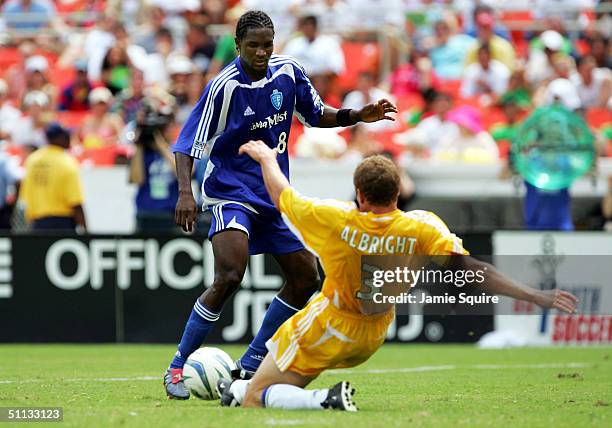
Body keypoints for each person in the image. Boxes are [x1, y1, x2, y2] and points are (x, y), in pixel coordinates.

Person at [215, 142, 579, 411]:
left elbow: (283, 196)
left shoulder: (338, 219)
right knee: (269, 387)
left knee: (254, 397)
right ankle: (277, 392)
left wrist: (266, 157)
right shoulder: (422, 225)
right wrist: (536, 296)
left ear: (359, 193)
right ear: (397, 192)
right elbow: (472, 270)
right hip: (373, 335)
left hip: (329, 323)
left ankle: (322, 400)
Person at [166, 10, 398, 400]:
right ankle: (177, 366)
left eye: (267, 44)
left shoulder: (288, 72)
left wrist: (358, 115)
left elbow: (315, 114)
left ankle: (252, 363)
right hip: (230, 192)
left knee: (306, 277)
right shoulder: (224, 87)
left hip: (274, 194)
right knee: (230, 274)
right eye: (253, 45)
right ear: (237, 45)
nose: (261, 52)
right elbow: (188, 142)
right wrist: (186, 193)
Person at [20, 123, 87, 232]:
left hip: (37, 223)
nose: (69, 139)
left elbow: (25, 197)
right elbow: (75, 202)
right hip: (62, 223)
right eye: (66, 136)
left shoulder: (32, 160)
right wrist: (86, 231)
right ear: (59, 138)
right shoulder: (66, 161)